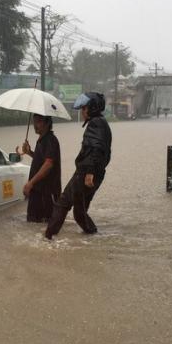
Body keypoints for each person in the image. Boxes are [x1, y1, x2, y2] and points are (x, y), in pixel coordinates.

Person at [45, 92, 112, 240]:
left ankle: (48, 237)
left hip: (85, 173)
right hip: (96, 173)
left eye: (84, 108)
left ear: (92, 108)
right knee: (80, 212)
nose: (82, 112)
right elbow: (100, 150)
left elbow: (96, 148)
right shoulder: (102, 123)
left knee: (62, 203)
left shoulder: (95, 123)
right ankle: (93, 234)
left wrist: (89, 172)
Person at [19, 114, 61, 223]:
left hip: (47, 192)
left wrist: (30, 183)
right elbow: (42, 160)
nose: (35, 125)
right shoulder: (41, 140)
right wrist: (29, 152)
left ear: (47, 123)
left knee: (46, 225)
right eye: (34, 121)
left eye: (38, 121)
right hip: (38, 191)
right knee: (33, 223)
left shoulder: (50, 140)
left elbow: (48, 164)